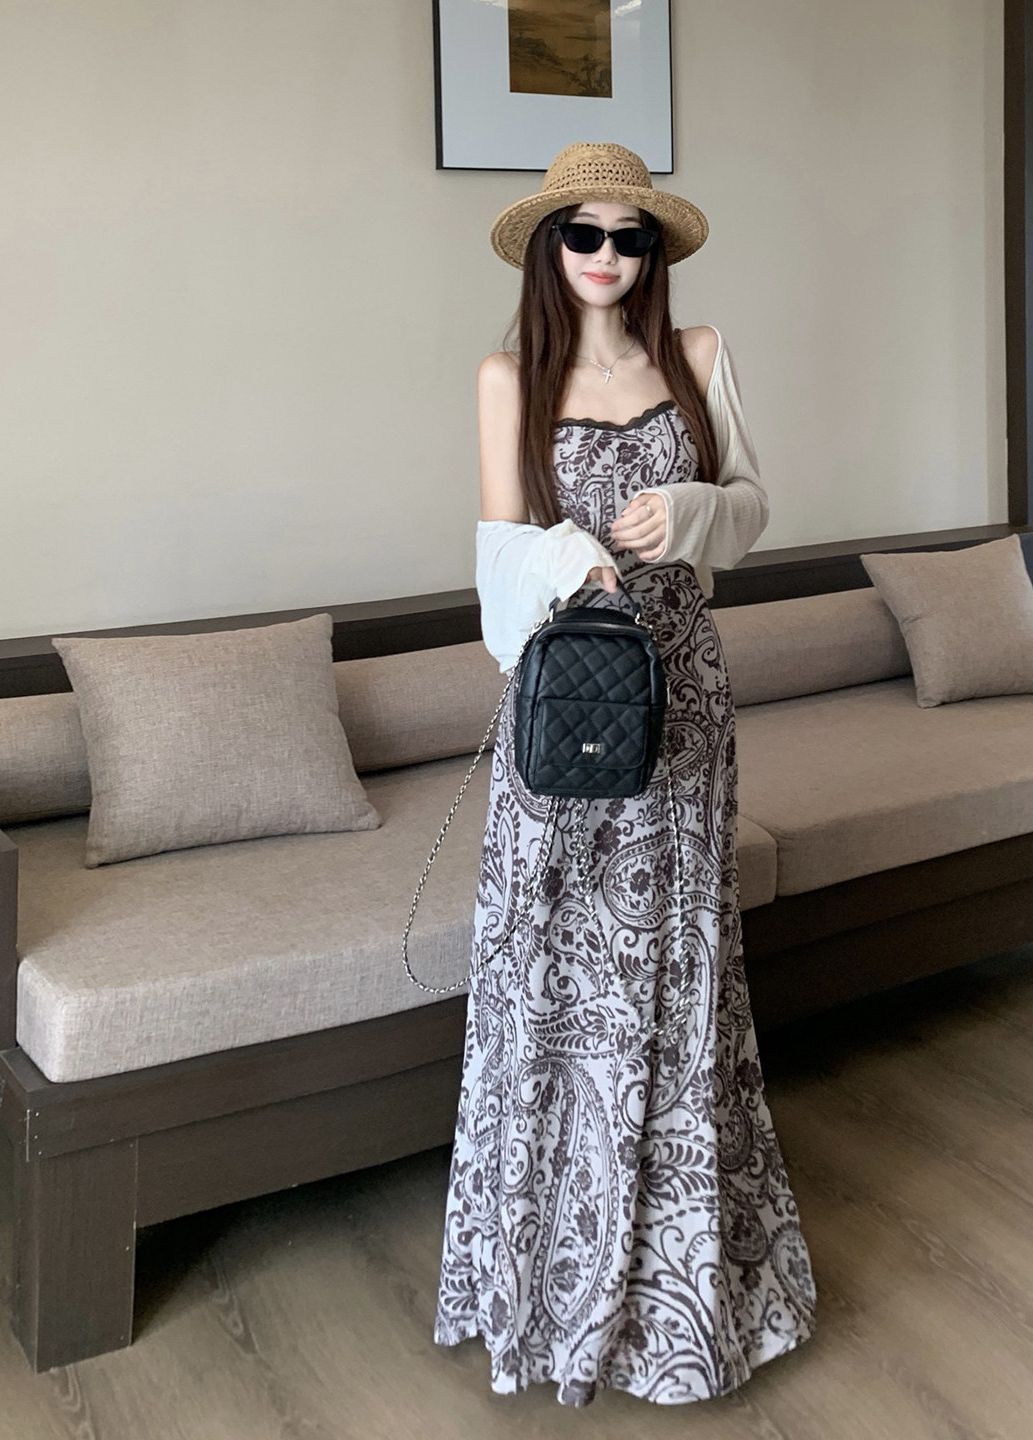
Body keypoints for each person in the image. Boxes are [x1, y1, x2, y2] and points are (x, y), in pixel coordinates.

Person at [433, 140, 816, 1407]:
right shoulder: (509, 377)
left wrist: (691, 514)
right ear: (551, 248)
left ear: (655, 250)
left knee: (673, 974)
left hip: (684, 701)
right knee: (553, 980)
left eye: (628, 236)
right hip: (562, 708)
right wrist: (567, 559)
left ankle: (675, 1302)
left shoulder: (697, 356)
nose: (606, 256)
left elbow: (753, 510)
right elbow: (493, 576)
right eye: (582, 235)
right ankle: (545, 1293)